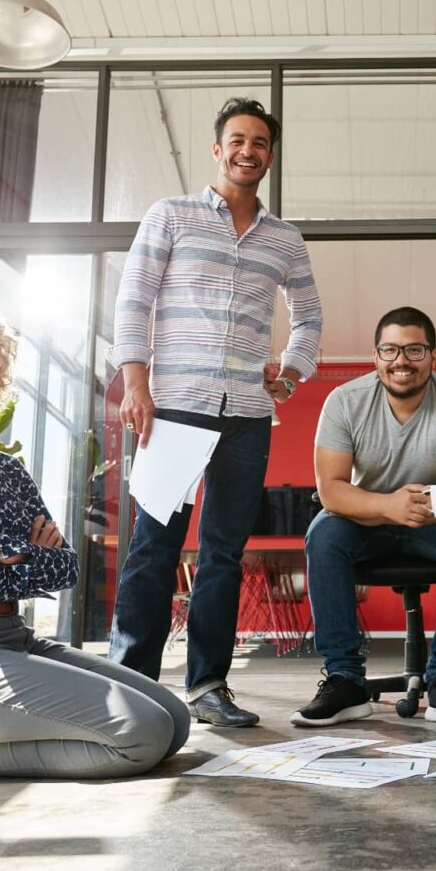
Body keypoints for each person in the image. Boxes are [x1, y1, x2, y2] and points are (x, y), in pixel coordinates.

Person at [0, 301, 189, 778]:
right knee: (141, 735)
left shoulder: (8, 469)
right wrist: (8, 553)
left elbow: (66, 567)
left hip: (11, 637)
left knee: (175, 721)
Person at [108, 97, 322, 727]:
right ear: (217, 148)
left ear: (270, 156)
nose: (247, 150)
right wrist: (135, 384)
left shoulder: (284, 238)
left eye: (259, 142)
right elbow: (134, 299)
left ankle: (208, 686)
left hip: (247, 416)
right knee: (155, 546)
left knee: (224, 553)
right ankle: (131, 684)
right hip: (172, 407)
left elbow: (310, 314)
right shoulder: (170, 216)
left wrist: (292, 370)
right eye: (237, 139)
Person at [291, 307, 436, 729]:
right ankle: (345, 680)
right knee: (323, 533)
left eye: (414, 349)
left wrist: (409, 508)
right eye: (391, 349)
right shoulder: (344, 402)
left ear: (432, 357)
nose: (402, 360)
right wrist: (387, 506)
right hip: (368, 522)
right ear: (376, 355)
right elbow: (330, 490)